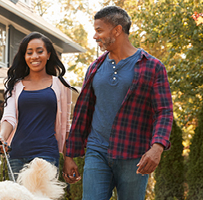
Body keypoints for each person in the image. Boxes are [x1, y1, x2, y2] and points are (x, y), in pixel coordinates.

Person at [62, 6, 173, 200]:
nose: (95, 36)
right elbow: (83, 113)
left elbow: (164, 111)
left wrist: (157, 147)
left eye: (99, 30)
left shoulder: (152, 66)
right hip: (97, 151)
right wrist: (69, 155)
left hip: (133, 153)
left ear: (117, 30)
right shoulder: (95, 67)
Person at [0, 32, 77, 179]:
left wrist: (68, 158)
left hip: (47, 155)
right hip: (17, 155)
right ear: (24, 56)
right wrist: (2, 137)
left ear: (48, 54)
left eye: (40, 51)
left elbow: (66, 126)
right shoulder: (15, 86)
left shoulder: (61, 86)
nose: (34, 57)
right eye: (29, 52)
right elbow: (9, 117)